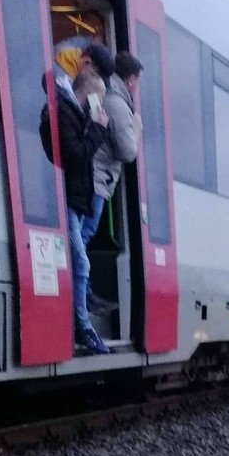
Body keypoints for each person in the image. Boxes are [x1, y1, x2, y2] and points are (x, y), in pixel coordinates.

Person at [40, 71, 111, 355]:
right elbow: (75, 155)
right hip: (66, 201)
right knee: (80, 263)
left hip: (75, 201)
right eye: (99, 100)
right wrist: (97, 129)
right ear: (91, 96)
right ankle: (83, 327)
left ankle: (76, 322)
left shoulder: (70, 113)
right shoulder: (64, 113)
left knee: (75, 261)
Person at [79, 52, 143, 314]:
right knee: (83, 238)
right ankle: (83, 298)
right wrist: (136, 129)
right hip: (97, 181)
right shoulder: (117, 103)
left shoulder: (106, 94)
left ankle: (85, 293)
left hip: (93, 179)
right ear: (130, 80)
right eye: (136, 82)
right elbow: (128, 152)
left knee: (83, 237)